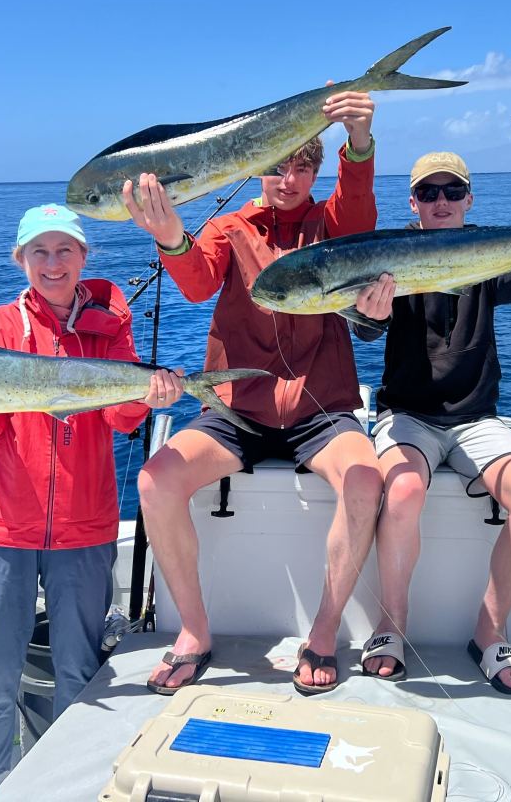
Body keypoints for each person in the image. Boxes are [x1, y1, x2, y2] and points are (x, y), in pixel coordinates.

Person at [122, 89, 384, 696]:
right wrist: (169, 236)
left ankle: (324, 630)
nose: (286, 179)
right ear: (256, 168)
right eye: (275, 165)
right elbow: (195, 281)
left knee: (365, 479)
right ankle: (193, 630)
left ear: (316, 172)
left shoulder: (330, 225)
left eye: (300, 167)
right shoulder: (231, 225)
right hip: (236, 409)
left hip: (321, 408)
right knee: (154, 481)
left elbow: (359, 209)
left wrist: (361, 143)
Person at [0, 203, 183, 802]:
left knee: (80, 672)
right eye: (39, 251)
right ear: (21, 261)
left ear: (84, 258)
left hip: (84, 526)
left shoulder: (111, 325)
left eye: (65, 250)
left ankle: (78, 784)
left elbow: (121, 420)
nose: (53, 263)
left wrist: (149, 393)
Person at [350, 151, 511, 694]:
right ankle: (391, 625)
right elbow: (364, 332)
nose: (442, 202)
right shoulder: (389, 255)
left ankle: (490, 628)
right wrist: (370, 313)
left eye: (452, 192)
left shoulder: (487, 249)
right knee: (404, 490)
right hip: (407, 415)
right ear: (413, 203)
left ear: (469, 200)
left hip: (476, 417)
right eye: (430, 193)